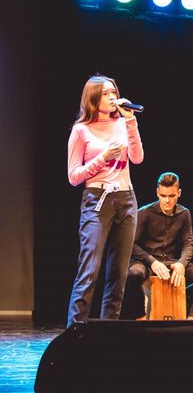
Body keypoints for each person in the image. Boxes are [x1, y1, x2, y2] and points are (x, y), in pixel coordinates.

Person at [67, 74, 144, 327]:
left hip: (126, 198)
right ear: (93, 99)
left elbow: (137, 158)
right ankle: (76, 332)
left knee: (118, 274)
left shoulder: (123, 123)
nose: (112, 98)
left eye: (114, 92)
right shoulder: (81, 130)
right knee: (90, 270)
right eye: (106, 94)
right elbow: (74, 176)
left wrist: (130, 121)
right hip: (97, 200)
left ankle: (108, 334)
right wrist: (103, 158)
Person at [121, 172, 193, 320]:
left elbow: (188, 243)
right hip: (146, 262)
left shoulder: (184, 214)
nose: (167, 200)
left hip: (171, 262)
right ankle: (140, 319)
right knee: (133, 274)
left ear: (179, 193)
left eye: (172, 196)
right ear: (157, 193)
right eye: (163, 196)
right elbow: (132, 245)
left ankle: (191, 322)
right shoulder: (144, 213)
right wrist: (152, 262)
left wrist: (181, 263)